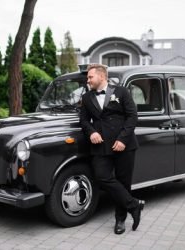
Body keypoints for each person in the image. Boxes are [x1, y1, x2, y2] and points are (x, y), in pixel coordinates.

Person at [79, 64, 144, 235]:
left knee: (123, 182)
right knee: (101, 176)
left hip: (124, 145)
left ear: (102, 76)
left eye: (90, 77)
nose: (88, 80)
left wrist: (123, 139)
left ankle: (120, 220)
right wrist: (91, 132)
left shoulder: (121, 92)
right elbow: (84, 121)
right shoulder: (86, 98)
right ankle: (134, 205)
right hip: (100, 146)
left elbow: (132, 116)